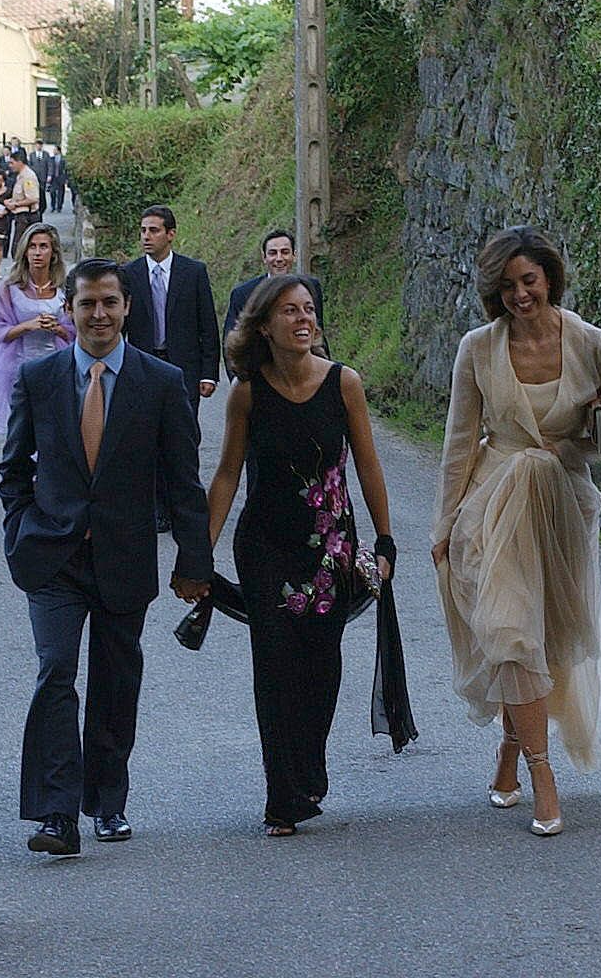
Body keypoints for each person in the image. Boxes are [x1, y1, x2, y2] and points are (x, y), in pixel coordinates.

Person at [431, 228, 601, 837]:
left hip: (563, 505)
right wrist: (444, 524)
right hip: (491, 506)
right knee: (509, 630)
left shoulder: (591, 342)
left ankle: (509, 754)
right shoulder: (477, 348)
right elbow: (457, 444)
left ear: (549, 277)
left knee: (544, 638)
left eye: (528, 281)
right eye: (506, 286)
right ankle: (544, 779)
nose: (519, 295)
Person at [0, 257, 212, 854]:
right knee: (55, 674)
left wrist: (194, 562)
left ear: (127, 309)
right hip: (53, 558)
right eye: (87, 303)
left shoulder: (161, 382)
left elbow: (183, 481)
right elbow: (13, 470)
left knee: (117, 681)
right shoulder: (39, 379)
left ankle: (107, 802)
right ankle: (56, 814)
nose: (99, 314)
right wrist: (20, 531)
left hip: (125, 556)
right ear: (68, 310)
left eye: (109, 303)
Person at [203, 274, 407, 835]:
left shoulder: (345, 384)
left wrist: (383, 542)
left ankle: (307, 767)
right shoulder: (247, 391)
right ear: (264, 325)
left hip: (329, 548)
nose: (303, 319)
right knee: (274, 665)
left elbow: (368, 466)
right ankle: (282, 795)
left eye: (309, 309)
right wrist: (199, 555)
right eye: (289, 311)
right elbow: (225, 476)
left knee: (320, 665)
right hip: (265, 547)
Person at [121, 205, 220, 531]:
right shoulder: (130, 274)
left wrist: (209, 372)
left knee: (183, 436)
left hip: (184, 368)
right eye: (143, 231)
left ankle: (187, 504)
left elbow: (208, 324)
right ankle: (158, 507)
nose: (146, 237)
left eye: (153, 230)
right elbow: (119, 326)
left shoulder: (193, 272)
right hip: (144, 366)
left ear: (171, 234)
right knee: (149, 436)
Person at [0, 223, 73, 437]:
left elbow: (76, 332)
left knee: (52, 427)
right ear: (25, 251)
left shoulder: (65, 288)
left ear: (53, 252)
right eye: (32, 247)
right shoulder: (10, 289)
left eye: (43, 246)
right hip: (18, 367)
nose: (37, 252)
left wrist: (57, 329)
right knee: (22, 428)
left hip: (56, 366)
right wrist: (27, 326)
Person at [222, 229, 326, 368]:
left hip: (304, 371)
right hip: (260, 371)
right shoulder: (243, 294)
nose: (279, 258)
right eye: (273, 253)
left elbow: (317, 333)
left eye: (285, 252)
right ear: (264, 257)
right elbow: (234, 342)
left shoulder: (310, 287)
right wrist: (242, 380)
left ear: (294, 255)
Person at [5, 149, 42, 226]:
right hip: (21, 217)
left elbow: (33, 198)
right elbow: (21, 195)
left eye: (12, 163)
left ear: (20, 162)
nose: (10, 166)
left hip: (27, 217)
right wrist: (11, 201)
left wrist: (15, 204)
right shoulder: (20, 175)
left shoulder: (28, 176)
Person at [46, 144, 67, 215]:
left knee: (61, 193)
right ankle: (53, 206)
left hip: (61, 177)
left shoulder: (64, 159)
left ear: (58, 150)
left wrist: (66, 178)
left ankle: (59, 207)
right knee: (52, 192)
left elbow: (66, 169)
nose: (53, 151)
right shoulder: (51, 159)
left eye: (55, 150)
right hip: (53, 178)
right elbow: (49, 168)